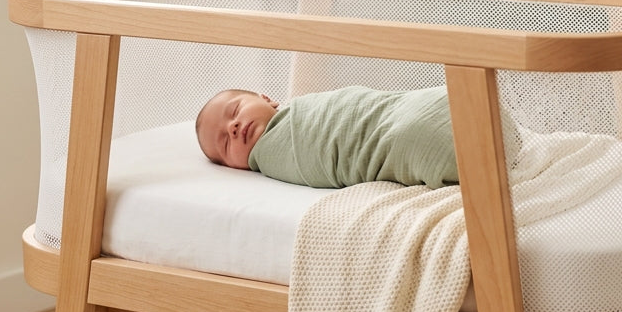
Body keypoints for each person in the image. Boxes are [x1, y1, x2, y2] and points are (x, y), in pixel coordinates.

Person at [194, 86, 460, 189]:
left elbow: (353, 106)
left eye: (235, 111)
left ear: (267, 98)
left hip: (407, 105)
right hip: (405, 139)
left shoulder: (305, 108)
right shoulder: (271, 158)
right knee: (412, 136)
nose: (234, 128)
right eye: (225, 143)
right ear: (233, 167)